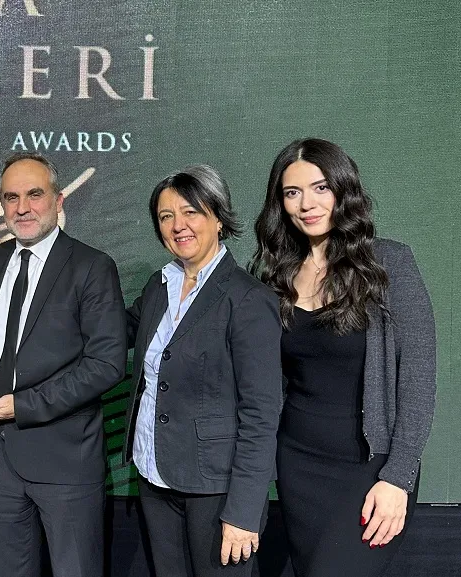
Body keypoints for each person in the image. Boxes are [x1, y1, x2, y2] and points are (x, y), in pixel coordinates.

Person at [251, 138, 436, 576]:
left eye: (320, 188)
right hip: (297, 464)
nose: (307, 204)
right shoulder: (273, 275)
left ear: (343, 190)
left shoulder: (389, 264)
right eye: (292, 193)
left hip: (370, 470)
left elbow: (418, 378)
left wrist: (398, 477)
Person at [0, 153, 128, 577]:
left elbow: (106, 364)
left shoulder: (92, 266)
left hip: (65, 457)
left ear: (59, 199)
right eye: (11, 197)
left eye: (35, 194)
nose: (22, 207)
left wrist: (22, 405)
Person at [123, 165, 283, 576]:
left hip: (217, 488)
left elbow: (262, 414)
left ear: (218, 217)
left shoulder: (248, 299)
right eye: (166, 216)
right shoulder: (158, 287)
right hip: (153, 475)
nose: (178, 225)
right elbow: (113, 332)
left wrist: (244, 511)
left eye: (190, 212)